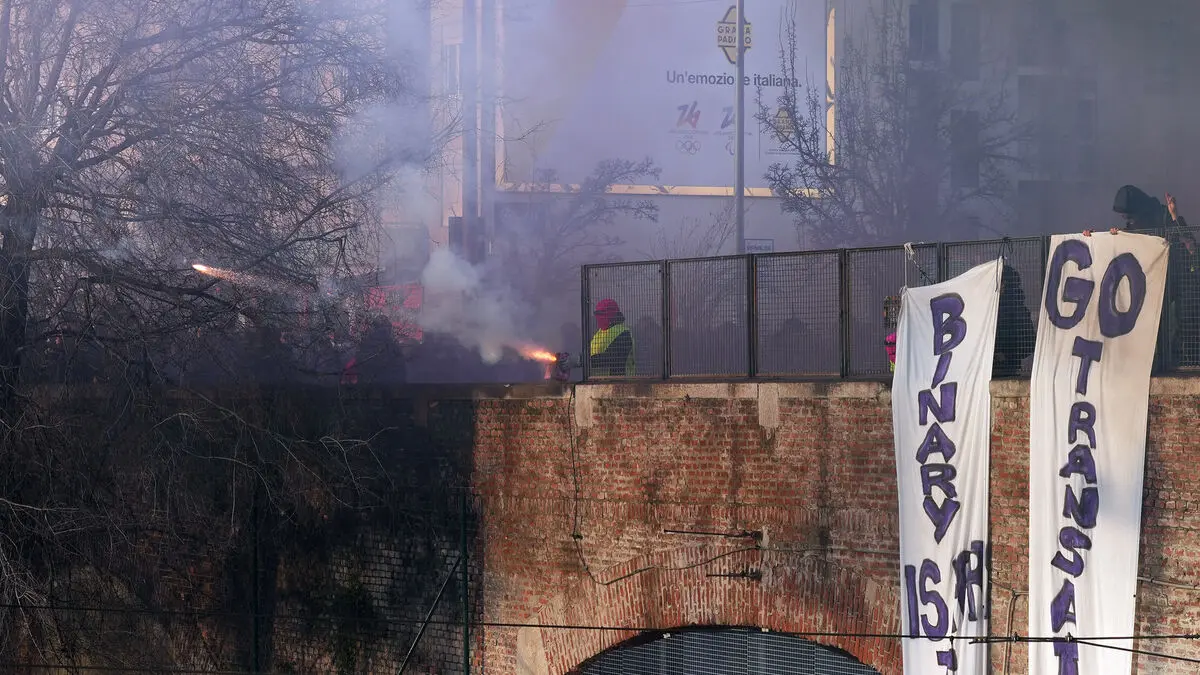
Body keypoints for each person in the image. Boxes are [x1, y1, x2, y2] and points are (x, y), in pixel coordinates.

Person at [993, 264, 1035, 378]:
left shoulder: (1018, 310)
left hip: (1007, 371)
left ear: (1005, 284)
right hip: (988, 370)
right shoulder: (988, 309)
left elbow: (1029, 343)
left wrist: (1006, 355)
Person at [589, 298, 635, 377]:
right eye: (597, 314)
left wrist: (584, 361)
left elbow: (612, 358)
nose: (599, 318)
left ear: (612, 315)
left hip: (620, 383)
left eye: (602, 314)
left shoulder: (624, 333)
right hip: (596, 384)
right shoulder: (599, 332)